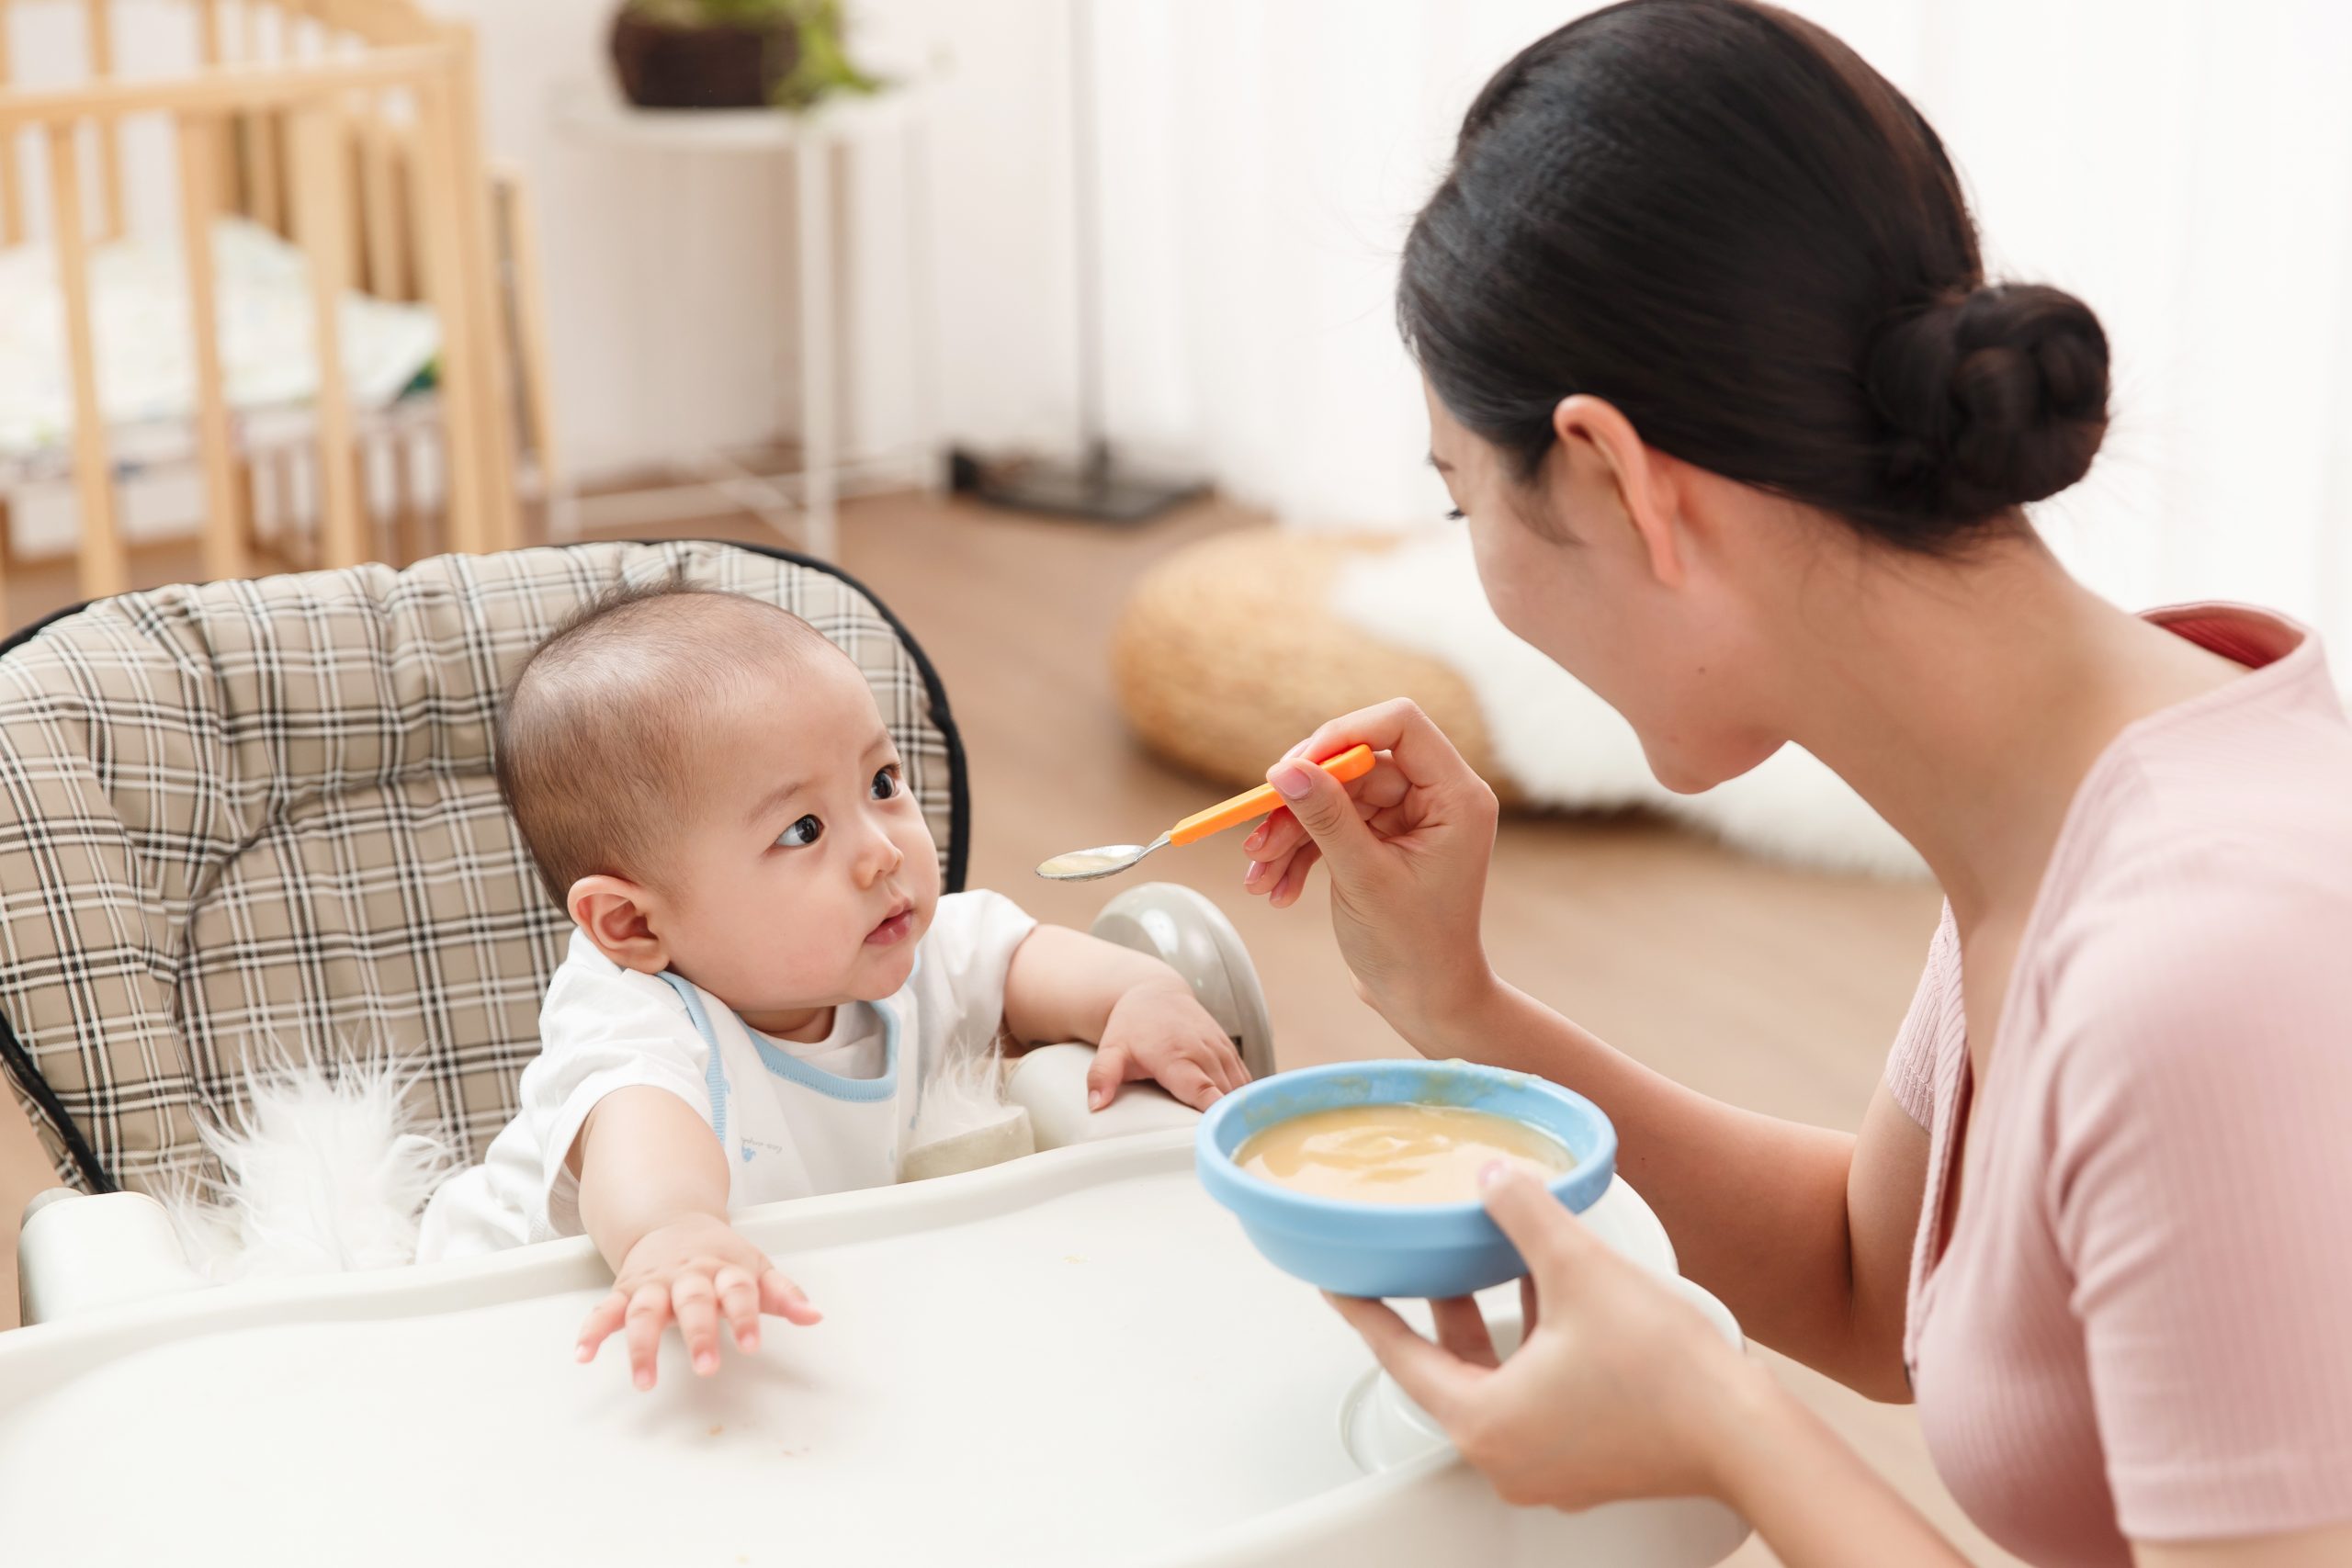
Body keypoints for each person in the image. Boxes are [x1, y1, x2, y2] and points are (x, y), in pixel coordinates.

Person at [1238, 3, 2352, 1564]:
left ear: (1621, 481)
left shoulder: (2206, 969)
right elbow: (1870, 1279)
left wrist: (1726, 1427)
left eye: (1457, 499)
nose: (1472, 561)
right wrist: (1458, 1007)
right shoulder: (2065, 798)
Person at [418, 581, 1248, 1389]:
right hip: (493, 1327)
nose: (882, 849)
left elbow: (1025, 959)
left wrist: (1140, 992)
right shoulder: (629, 1018)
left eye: (882, 783)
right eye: (802, 829)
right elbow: (642, 1140)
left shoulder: (898, 944)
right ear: (634, 926)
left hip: (784, 1307)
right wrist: (673, 1232)